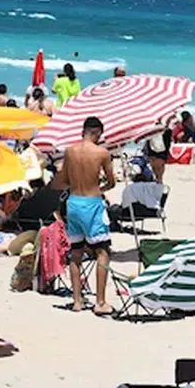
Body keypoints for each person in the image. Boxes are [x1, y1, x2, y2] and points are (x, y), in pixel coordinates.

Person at [62, 116, 116, 313]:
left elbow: (66, 179)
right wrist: (99, 186)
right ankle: (100, 302)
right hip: (92, 203)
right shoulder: (102, 153)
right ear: (97, 132)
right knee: (102, 251)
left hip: (73, 202)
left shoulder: (70, 151)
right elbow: (112, 182)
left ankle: (77, 301)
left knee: (76, 252)